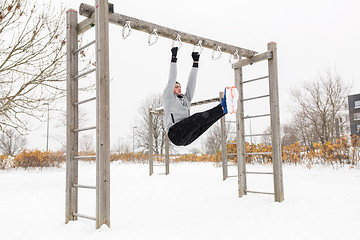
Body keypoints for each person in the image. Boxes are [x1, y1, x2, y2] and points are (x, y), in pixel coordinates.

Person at [162, 47, 230, 146]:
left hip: (186, 138)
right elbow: (172, 77)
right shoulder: (168, 98)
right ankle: (222, 107)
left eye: (180, 87)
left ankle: (224, 110)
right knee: (199, 117)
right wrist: (174, 57)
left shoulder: (186, 99)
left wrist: (195, 62)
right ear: (171, 89)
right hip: (175, 133)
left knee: (204, 124)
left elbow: (191, 82)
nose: (179, 88)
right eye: (176, 87)